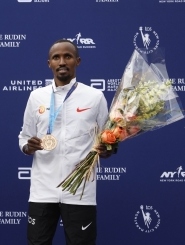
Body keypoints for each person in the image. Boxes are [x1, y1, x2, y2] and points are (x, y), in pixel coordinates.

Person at [18, 39, 114, 245]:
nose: (62, 61)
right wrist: (28, 146)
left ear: (77, 61)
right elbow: (24, 137)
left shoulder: (95, 97)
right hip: (42, 191)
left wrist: (107, 149)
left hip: (79, 192)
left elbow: (108, 138)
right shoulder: (36, 97)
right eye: (56, 57)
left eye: (67, 56)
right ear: (49, 64)